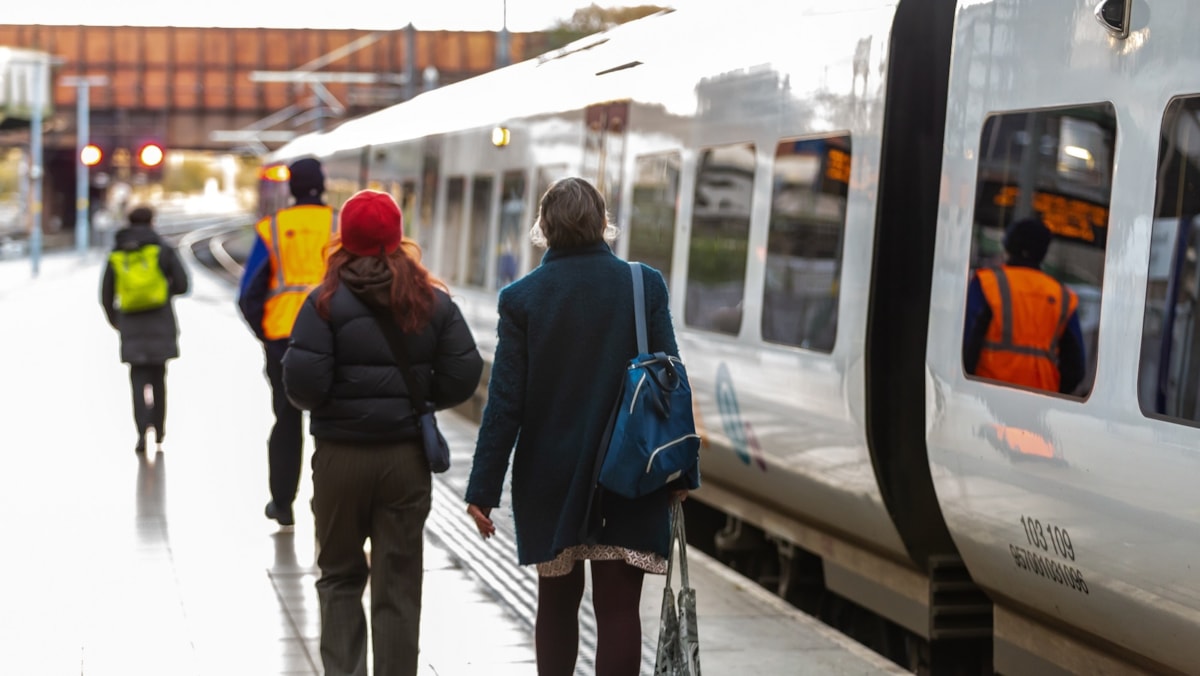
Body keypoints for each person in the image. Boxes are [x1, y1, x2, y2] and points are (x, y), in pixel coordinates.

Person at [464, 177, 697, 676]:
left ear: (544, 228)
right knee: (617, 611)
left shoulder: (522, 298)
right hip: (630, 474)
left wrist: (482, 488)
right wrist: (682, 474)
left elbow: (505, 404)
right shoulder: (643, 284)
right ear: (602, 223)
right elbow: (672, 381)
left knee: (556, 605)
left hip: (551, 480)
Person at [282, 189, 483, 676]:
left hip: (340, 459)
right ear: (398, 239)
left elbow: (303, 387)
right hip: (404, 460)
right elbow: (465, 373)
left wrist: (340, 398)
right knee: (398, 581)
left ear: (343, 240)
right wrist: (419, 397)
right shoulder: (432, 302)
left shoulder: (322, 303)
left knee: (339, 577)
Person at [238, 157, 337, 527]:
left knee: (286, 419)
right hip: (333, 339)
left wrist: (267, 336)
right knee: (330, 424)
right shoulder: (339, 224)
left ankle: (282, 504)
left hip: (284, 341)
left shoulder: (272, 228)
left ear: (290, 188)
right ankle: (326, 503)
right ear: (323, 184)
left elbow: (249, 294)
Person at [100, 206, 189, 454]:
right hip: (160, 322)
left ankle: (141, 433)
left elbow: (106, 295)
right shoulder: (163, 248)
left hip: (131, 325)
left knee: (137, 380)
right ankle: (159, 431)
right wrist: (161, 292)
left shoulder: (117, 252)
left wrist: (116, 321)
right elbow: (183, 285)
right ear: (153, 221)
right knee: (159, 379)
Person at [963, 216, 1086, 394]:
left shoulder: (987, 284)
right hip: (1040, 405)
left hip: (987, 397)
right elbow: (1076, 369)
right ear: (1043, 252)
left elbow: (968, 344)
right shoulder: (1062, 297)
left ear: (1008, 246)